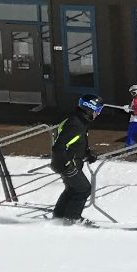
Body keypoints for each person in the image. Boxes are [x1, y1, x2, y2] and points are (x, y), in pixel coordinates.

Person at [50, 94, 101, 224]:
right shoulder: (75, 124)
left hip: (69, 161)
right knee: (83, 189)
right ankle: (73, 218)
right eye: (98, 110)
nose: (98, 114)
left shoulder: (79, 120)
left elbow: (74, 142)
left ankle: (58, 217)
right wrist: (68, 165)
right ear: (89, 108)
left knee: (72, 189)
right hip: (66, 163)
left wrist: (87, 153)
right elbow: (58, 147)